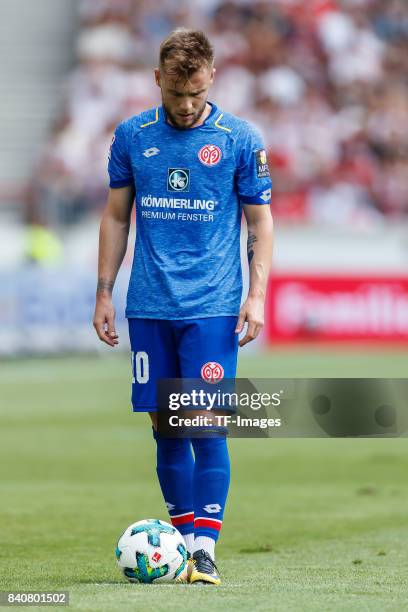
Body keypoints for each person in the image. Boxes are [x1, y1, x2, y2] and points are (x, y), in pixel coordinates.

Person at [93, 28, 273, 585]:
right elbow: (117, 216)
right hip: (149, 305)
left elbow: (260, 222)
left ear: (211, 77)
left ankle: (203, 549)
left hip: (213, 307)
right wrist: (103, 290)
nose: (188, 106)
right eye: (176, 95)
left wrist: (256, 295)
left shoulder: (240, 139)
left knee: (205, 425)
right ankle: (179, 542)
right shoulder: (131, 136)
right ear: (158, 81)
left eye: (195, 93)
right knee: (166, 428)